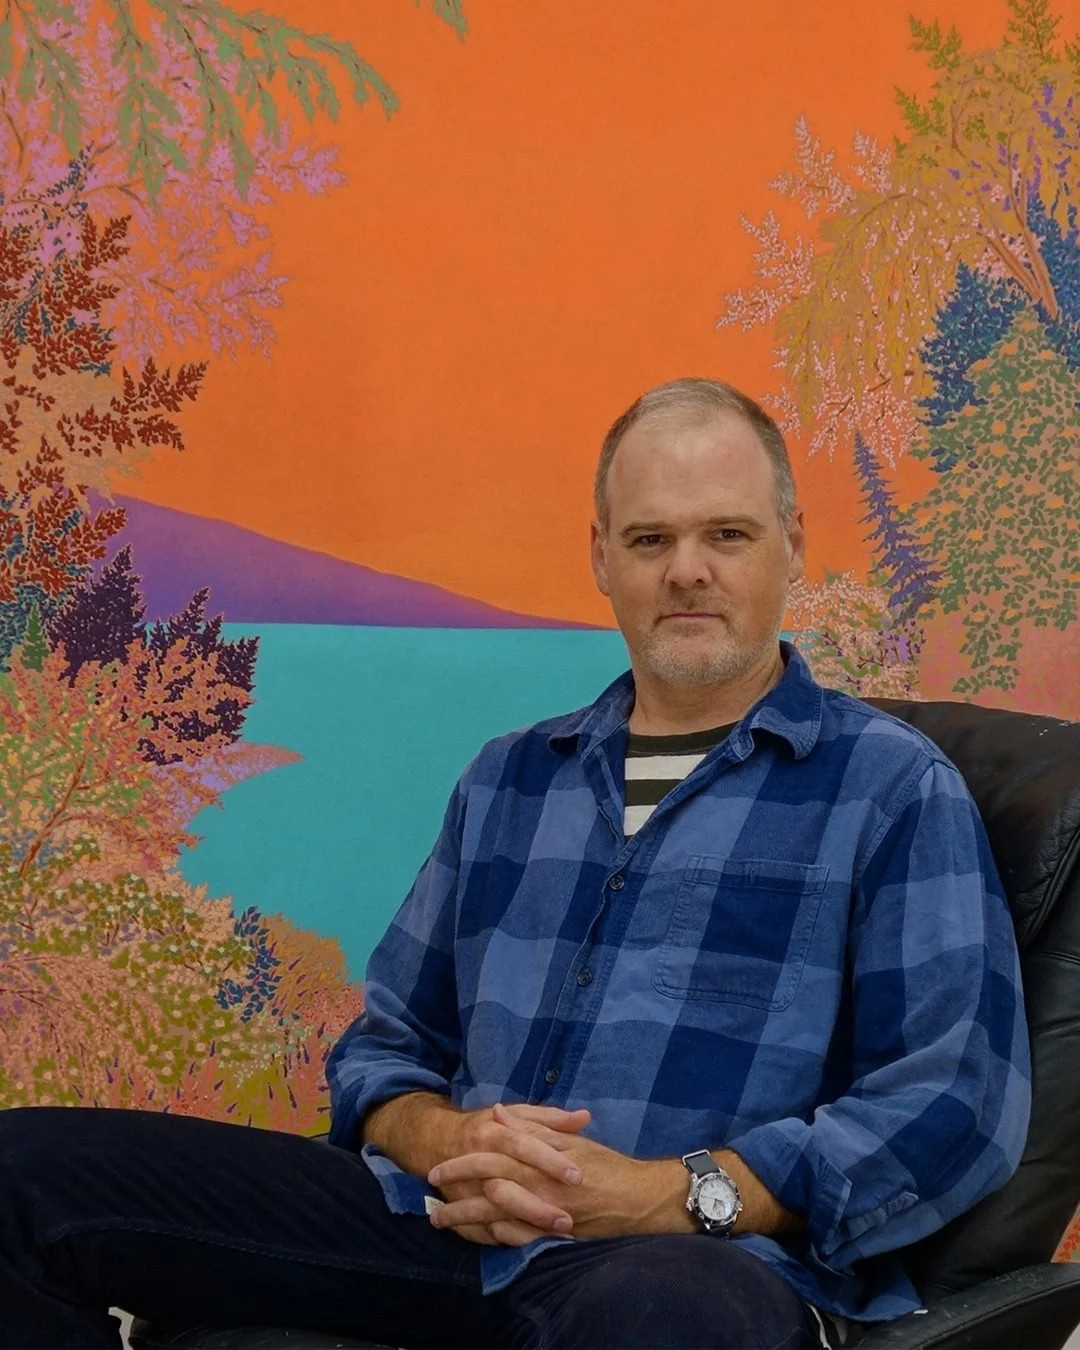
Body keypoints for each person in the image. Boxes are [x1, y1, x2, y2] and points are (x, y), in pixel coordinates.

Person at [0, 379, 1030, 1350]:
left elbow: (949, 1100)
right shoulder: (510, 781)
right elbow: (385, 1048)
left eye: (726, 533)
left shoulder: (890, 790)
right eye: (649, 538)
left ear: (792, 546)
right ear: (601, 557)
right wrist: (446, 1142)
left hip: (680, 1261)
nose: (686, 569)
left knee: (666, 1320)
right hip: (436, 1223)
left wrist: (663, 1192)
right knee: (23, 1178)